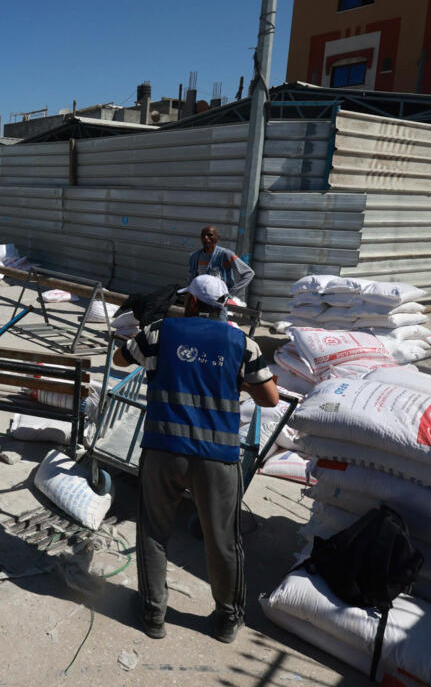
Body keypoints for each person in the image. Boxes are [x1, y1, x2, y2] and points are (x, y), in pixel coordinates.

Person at [113, 274, 278, 645]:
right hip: (216, 458)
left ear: (190, 303)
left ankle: (153, 613)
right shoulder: (242, 343)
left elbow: (119, 360)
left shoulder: (159, 332)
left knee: (153, 534)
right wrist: (235, 379)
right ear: (221, 307)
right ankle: (227, 620)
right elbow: (271, 399)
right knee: (223, 540)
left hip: (163, 450)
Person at [188, 225, 254, 300]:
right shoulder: (194, 256)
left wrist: (231, 293)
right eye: (203, 235)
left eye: (210, 235)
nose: (206, 238)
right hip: (201, 298)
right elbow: (191, 280)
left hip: (220, 300)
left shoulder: (226, 254)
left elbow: (249, 273)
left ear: (217, 238)